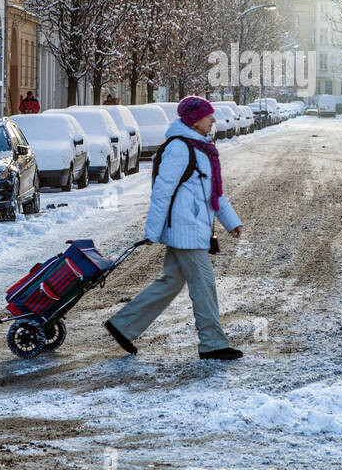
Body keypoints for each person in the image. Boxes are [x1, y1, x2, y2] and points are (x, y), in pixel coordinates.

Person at [104, 96, 244, 360]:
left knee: (170, 282)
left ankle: (123, 324)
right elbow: (162, 192)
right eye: (208, 116)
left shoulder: (202, 148)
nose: (213, 120)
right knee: (204, 284)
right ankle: (213, 343)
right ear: (194, 120)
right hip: (185, 230)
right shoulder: (179, 148)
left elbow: (213, 193)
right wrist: (152, 232)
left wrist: (231, 221)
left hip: (193, 228)